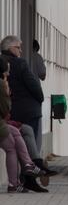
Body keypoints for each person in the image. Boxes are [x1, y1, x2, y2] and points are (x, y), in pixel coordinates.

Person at [0, 57, 45, 193]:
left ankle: (28, 164)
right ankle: (14, 184)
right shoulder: (1, 85)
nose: (8, 74)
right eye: (7, 71)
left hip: (2, 124)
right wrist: (7, 94)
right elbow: (5, 110)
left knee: (16, 131)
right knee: (11, 147)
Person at [0, 36, 44, 147]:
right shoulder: (20, 63)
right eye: (18, 47)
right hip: (28, 111)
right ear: (10, 48)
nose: (21, 50)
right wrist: (40, 99)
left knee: (14, 146)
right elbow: (33, 86)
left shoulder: (2, 62)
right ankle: (32, 163)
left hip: (9, 112)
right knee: (30, 144)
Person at [32, 39, 46, 151]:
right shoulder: (37, 57)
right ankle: (36, 151)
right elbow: (43, 75)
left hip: (19, 94)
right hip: (35, 92)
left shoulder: (18, 58)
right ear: (36, 47)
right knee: (36, 121)